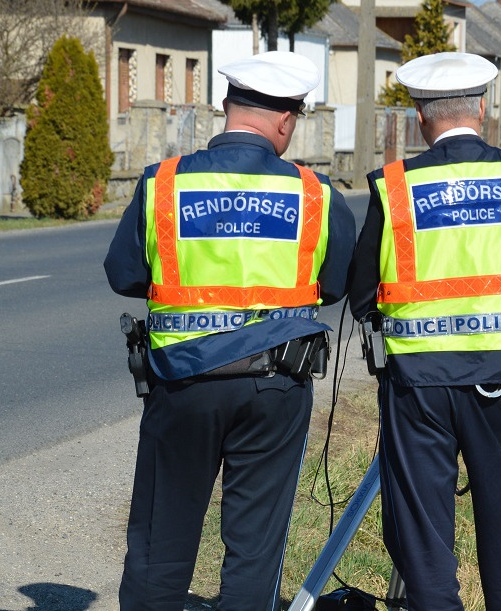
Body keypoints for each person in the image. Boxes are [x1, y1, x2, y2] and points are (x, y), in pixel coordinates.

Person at [103, 51, 355, 611]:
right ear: (288, 120)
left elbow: (123, 274)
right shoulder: (316, 195)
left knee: (160, 540)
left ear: (225, 107)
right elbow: (335, 285)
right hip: (276, 385)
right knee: (254, 547)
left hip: (184, 383)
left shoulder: (162, 184)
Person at [347, 52, 501, 611]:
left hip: (420, 385)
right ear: (484, 109)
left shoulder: (396, 186)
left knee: (424, 541)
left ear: (421, 117)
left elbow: (362, 295)